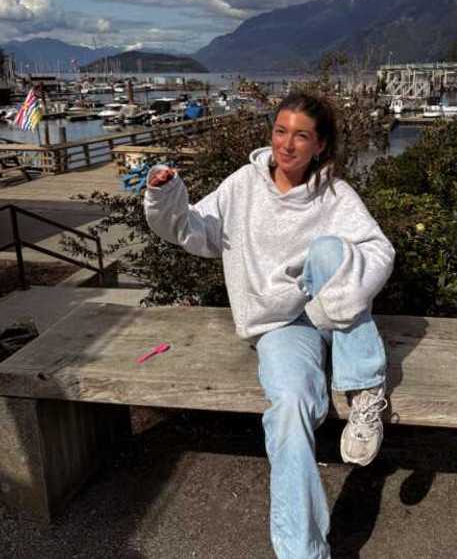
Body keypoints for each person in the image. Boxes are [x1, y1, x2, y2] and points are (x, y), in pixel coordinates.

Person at [144, 91, 395, 559]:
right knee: (290, 407)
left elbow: (380, 251)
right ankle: (302, 551)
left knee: (330, 252)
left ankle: (364, 390)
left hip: (333, 310)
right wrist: (165, 195)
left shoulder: (336, 192)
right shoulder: (243, 186)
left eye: (301, 135)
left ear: (320, 145)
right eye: (281, 131)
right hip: (280, 325)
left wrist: (345, 284)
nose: (288, 144)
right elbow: (193, 230)